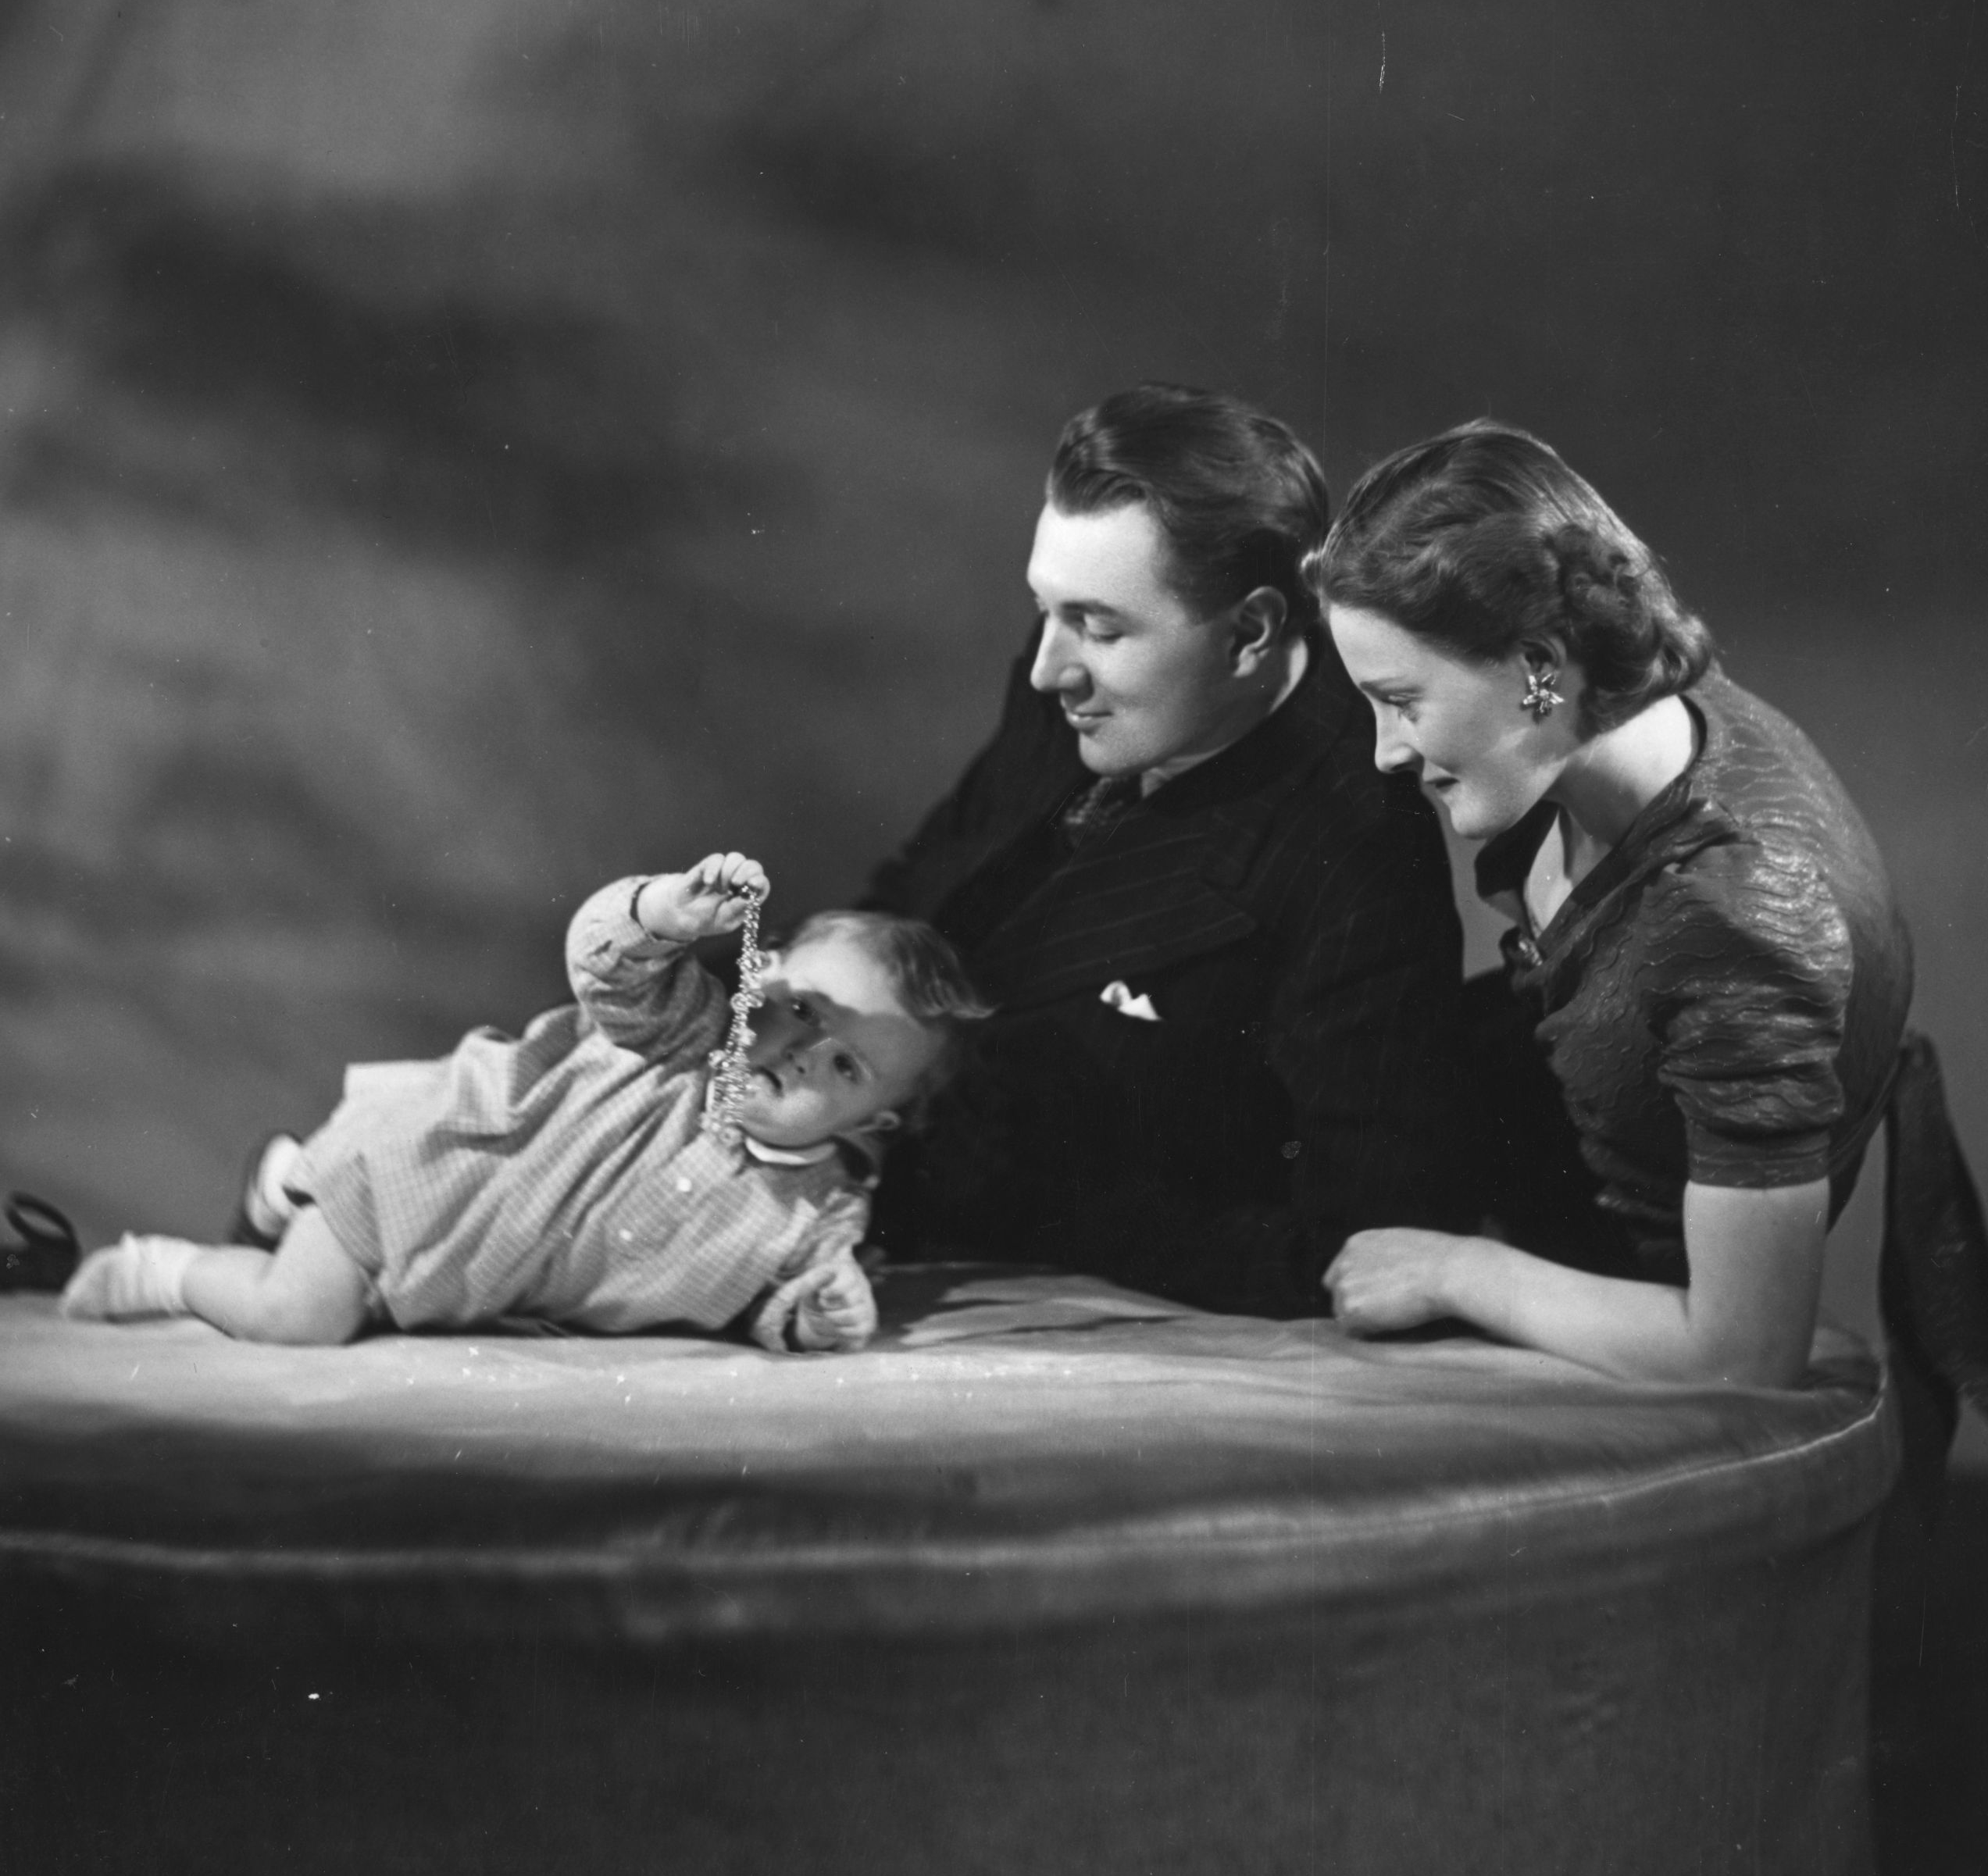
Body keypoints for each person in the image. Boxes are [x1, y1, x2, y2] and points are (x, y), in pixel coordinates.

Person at [1311, 419, 1988, 1445]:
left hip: (1593, 1296)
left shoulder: (1739, 910)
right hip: (1506, 1145)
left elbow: (1743, 1349)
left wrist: (1458, 1270)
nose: (1385, 749)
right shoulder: (1624, 720)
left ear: (1540, 664)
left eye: (1400, 700)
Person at [866, 383, 1473, 1316]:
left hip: (1039, 1294)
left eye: (1102, 627)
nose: (1047, 669)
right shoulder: (1076, 673)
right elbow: (930, 892)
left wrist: (1041, 1207)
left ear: (1252, 632)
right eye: (1048, 610)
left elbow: (1360, 1239)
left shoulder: (1355, 850)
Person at [62, 858, 990, 1352]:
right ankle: (169, 1269)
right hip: (428, 1170)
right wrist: (665, 912)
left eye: (847, 1066)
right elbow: (606, 960)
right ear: (760, 973)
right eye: (798, 1009)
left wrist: (819, 1315)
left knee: (370, 1308)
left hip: (470, 1281)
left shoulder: (819, 1216)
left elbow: (775, 1301)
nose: (799, 1054)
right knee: (296, 1317)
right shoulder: (682, 1037)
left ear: (872, 1124)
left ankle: (281, 1190)